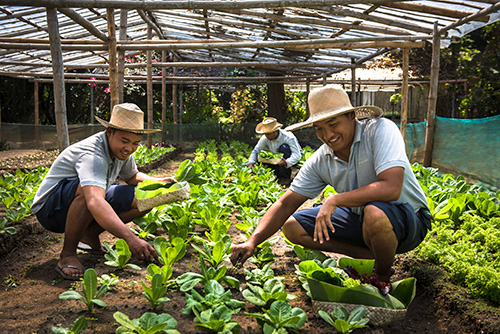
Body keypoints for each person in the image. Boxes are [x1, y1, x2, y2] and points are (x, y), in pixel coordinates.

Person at [232, 85, 432, 283]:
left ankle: (380, 275)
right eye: (319, 128)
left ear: (351, 117)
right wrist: (253, 241)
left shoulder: (379, 130)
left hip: (409, 221)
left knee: (375, 213)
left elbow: (391, 187)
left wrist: (335, 200)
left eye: (333, 124)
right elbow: (286, 203)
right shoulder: (322, 159)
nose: (327, 135)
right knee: (292, 226)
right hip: (362, 221)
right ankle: (370, 255)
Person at [31, 103, 176, 280]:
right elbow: (94, 201)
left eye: (135, 143)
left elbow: (131, 176)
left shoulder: (122, 152)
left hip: (83, 201)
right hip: (50, 210)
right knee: (89, 194)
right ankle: (67, 255)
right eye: (124, 141)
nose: (129, 148)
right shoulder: (93, 155)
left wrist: (160, 183)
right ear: (109, 132)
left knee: (145, 198)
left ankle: (89, 235)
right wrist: (131, 239)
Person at [248, 117, 302, 186]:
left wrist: (287, 162)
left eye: (268, 134)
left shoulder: (288, 137)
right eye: (265, 134)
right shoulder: (265, 138)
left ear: (275, 131)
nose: (266, 136)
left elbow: (297, 155)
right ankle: (274, 175)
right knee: (260, 156)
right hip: (275, 161)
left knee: (284, 148)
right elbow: (256, 151)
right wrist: (251, 163)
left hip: (288, 160)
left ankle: (285, 178)